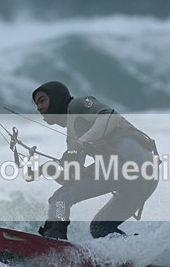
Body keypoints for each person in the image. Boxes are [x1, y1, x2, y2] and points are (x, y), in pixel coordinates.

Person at [32, 81, 159, 240]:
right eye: (36, 104)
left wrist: (78, 146)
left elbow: (110, 117)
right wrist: (49, 170)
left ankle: (55, 236)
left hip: (128, 159)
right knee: (101, 228)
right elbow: (72, 178)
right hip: (146, 176)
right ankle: (137, 255)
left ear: (56, 97)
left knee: (60, 198)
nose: (38, 108)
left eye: (42, 100)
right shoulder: (73, 137)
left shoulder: (77, 105)